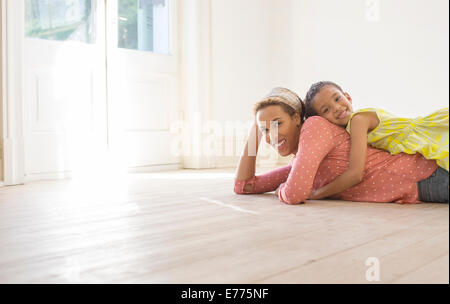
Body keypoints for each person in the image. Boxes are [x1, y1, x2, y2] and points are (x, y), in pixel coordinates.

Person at [234, 87, 448, 204]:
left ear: (297, 118)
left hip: (426, 175)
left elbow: (295, 193)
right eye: (265, 130)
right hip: (419, 187)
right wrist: (255, 129)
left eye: (277, 124)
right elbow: (244, 186)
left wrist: (284, 189)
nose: (272, 135)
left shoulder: (315, 127)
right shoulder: (301, 164)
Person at [303, 81, 448, 200]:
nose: (336, 107)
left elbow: (355, 174)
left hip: (427, 136)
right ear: (322, 119)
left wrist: (318, 193)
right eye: (326, 110)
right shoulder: (352, 125)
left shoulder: (358, 121)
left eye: (337, 98)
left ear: (348, 97)